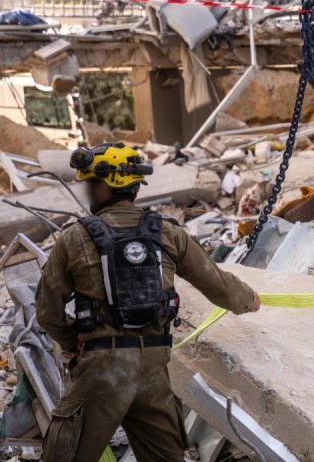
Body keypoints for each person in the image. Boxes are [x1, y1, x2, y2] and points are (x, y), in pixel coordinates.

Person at [35, 143, 262, 461]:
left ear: (105, 186)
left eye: (90, 184)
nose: (88, 192)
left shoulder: (74, 239)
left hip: (100, 371)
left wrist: (72, 341)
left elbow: (47, 312)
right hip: (153, 372)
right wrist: (249, 299)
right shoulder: (169, 234)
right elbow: (218, 284)